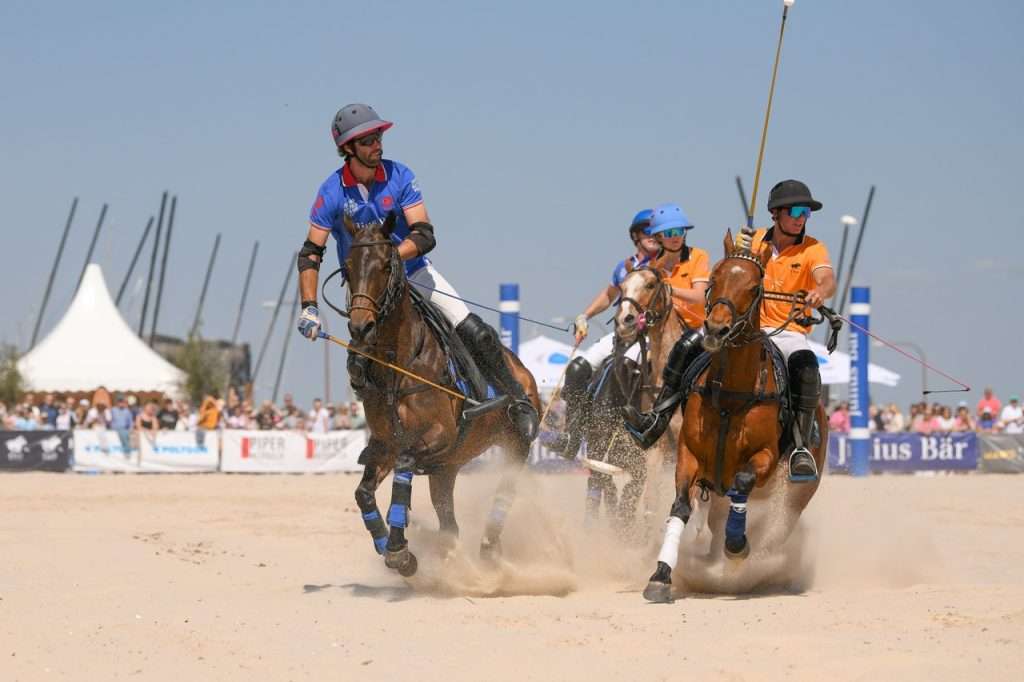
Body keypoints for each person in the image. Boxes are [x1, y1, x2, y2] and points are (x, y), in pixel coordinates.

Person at [295, 103, 537, 440]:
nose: (377, 144)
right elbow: (311, 253)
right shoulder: (331, 191)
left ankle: (517, 402)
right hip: (368, 290)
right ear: (347, 148)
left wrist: (390, 256)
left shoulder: (400, 176)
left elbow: (424, 234)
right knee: (360, 358)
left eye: (378, 137)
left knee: (475, 330)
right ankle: (383, 433)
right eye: (367, 141)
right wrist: (309, 307)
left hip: (414, 273)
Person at [625, 181, 834, 482]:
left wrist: (818, 292)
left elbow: (826, 279)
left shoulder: (813, 248)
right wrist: (740, 250)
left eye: (806, 212)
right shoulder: (756, 241)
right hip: (742, 328)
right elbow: (728, 274)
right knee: (686, 345)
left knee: (806, 366)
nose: (802, 217)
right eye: (797, 210)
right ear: (776, 213)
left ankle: (800, 447)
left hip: (787, 331)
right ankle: (657, 419)